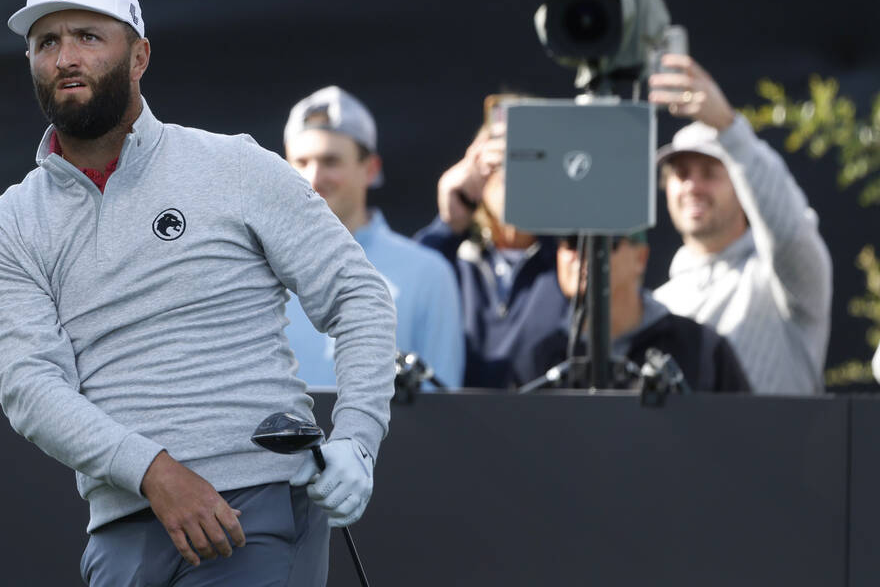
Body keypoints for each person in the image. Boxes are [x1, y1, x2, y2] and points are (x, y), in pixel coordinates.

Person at [0, 0, 396, 587]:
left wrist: (361, 437)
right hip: (123, 531)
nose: (64, 55)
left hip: (253, 514)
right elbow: (30, 389)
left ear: (139, 56)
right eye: (46, 41)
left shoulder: (233, 166)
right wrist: (155, 472)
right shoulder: (9, 224)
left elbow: (357, 296)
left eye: (88, 36)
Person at [648, 55, 832, 395]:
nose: (692, 187)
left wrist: (729, 129)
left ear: (743, 186)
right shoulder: (659, 306)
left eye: (710, 173)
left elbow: (790, 231)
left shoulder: (780, 284)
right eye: (682, 174)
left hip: (784, 449)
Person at [282, 85, 464, 388]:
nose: (313, 178)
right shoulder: (254, 271)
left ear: (370, 169)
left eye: (330, 161)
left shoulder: (428, 273)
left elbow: (442, 409)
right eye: (301, 162)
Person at [415, 94, 569, 388]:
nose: (514, 170)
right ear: (475, 163)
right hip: (450, 427)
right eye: (502, 155)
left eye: (531, 155)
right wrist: (448, 225)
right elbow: (404, 307)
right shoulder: (450, 256)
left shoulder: (570, 257)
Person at [516, 233, 751, 392]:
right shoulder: (540, 356)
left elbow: (739, 440)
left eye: (602, 241)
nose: (582, 254)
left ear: (641, 257)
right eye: (570, 242)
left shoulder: (701, 348)